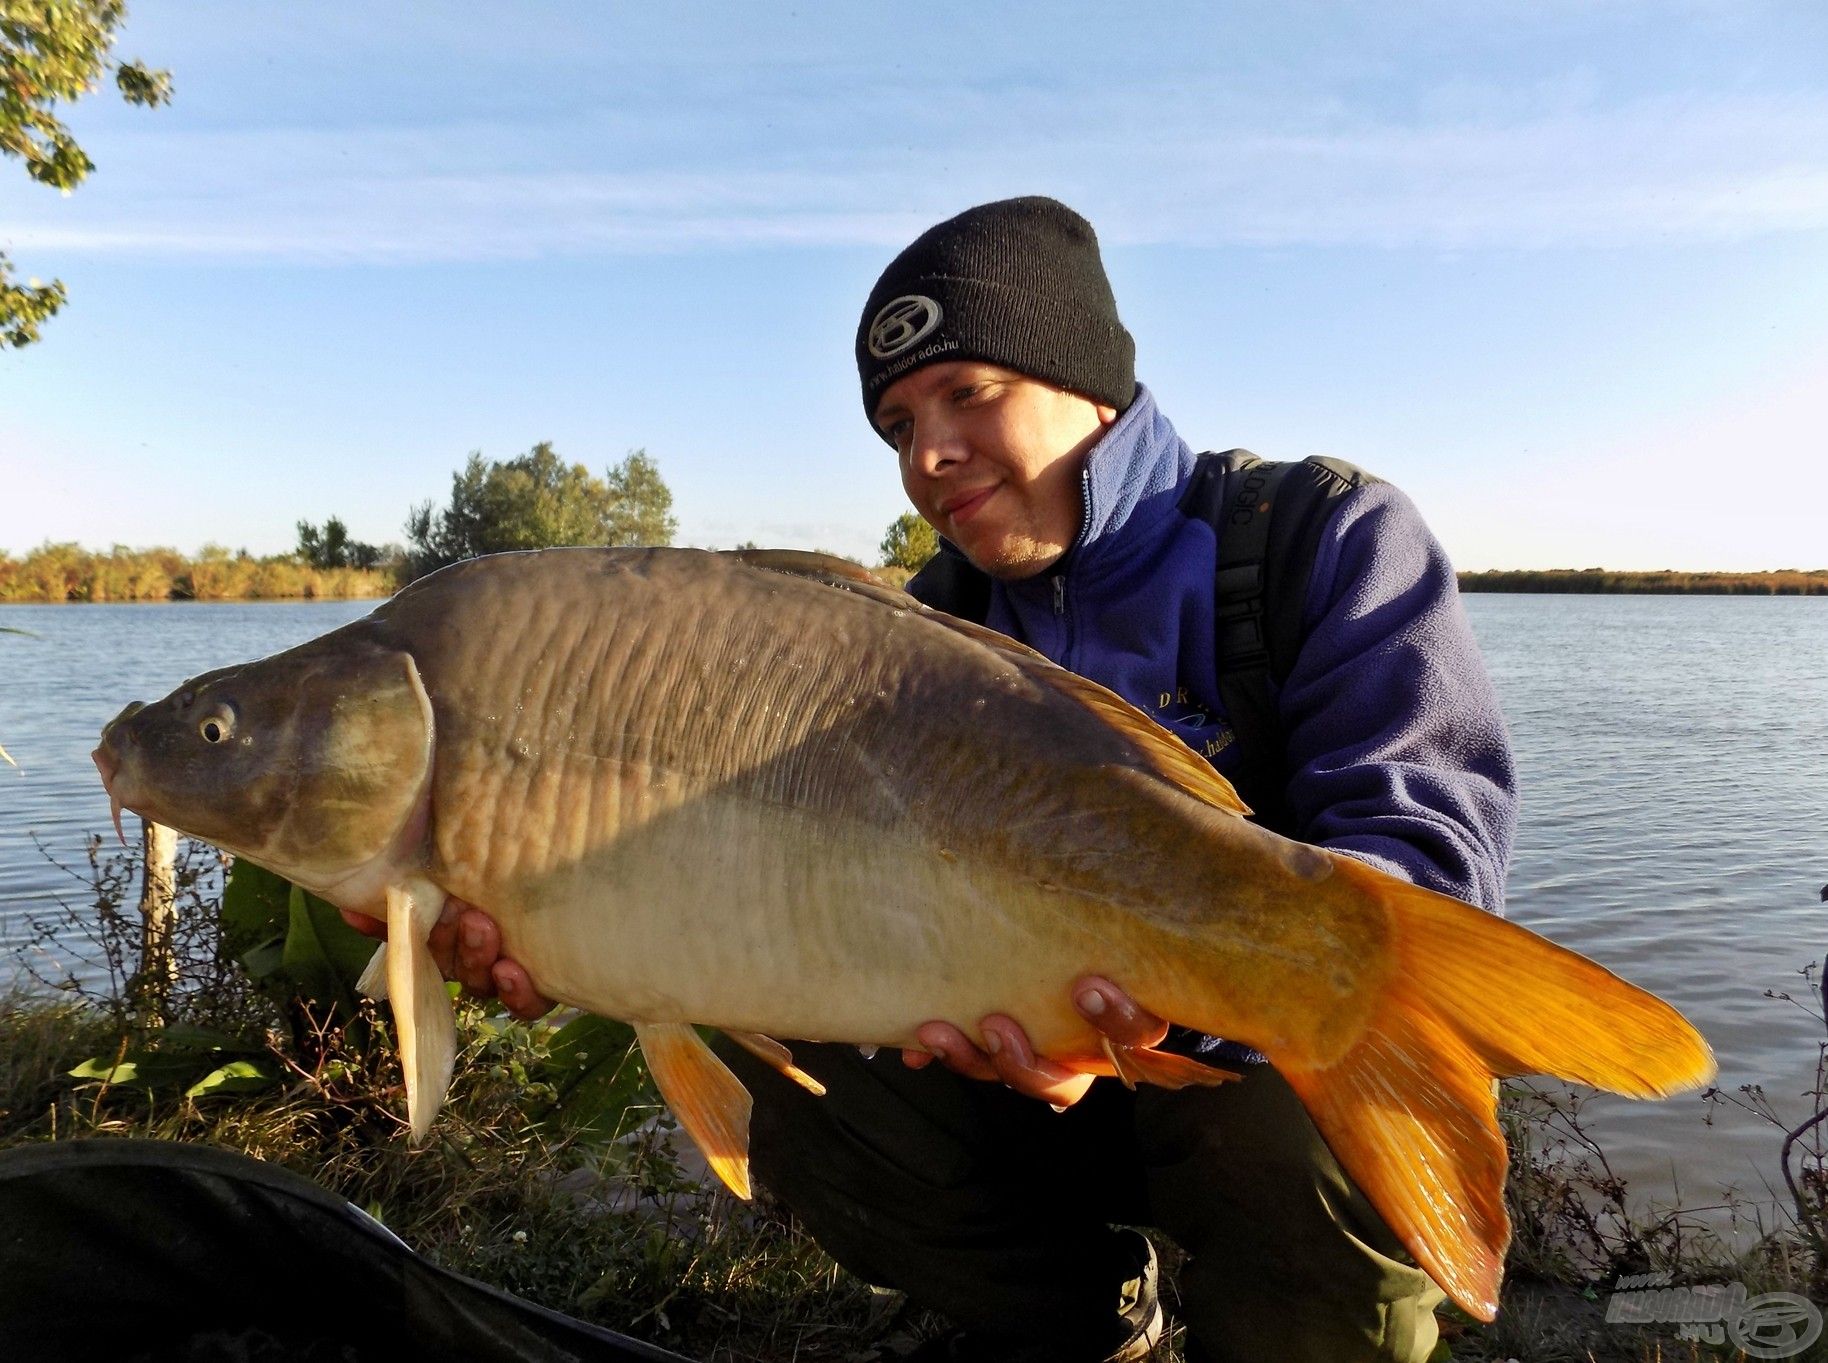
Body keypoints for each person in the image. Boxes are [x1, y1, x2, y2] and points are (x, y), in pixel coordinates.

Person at [351, 196, 1517, 1363]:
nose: (927, 455)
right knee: (817, 1097)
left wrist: (1181, 1008)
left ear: (1090, 384)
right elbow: (770, 887)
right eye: (897, 422)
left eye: (969, 394)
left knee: (1289, 1133)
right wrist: (556, 922)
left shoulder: (1322, 535)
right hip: (1020, 1047)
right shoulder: (919, 632)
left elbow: (1429, 865)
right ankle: (1099, 1323)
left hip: (1250, 1060)